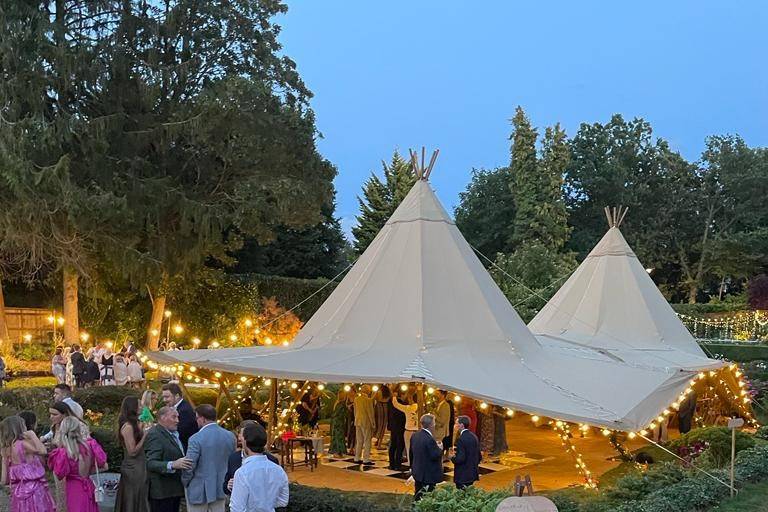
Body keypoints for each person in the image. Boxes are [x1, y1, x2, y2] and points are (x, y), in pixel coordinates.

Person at [182, 405, 236, 512]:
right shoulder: (230, 436)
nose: (196, 421)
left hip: (199, 489)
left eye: (197, 418)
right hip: (221, 487)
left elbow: (189, 465)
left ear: (202, 418)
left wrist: (185, 481)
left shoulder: (195, 438)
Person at [48, 416, 108, 512]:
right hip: (88, 485)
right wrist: (87, 472)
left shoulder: (64, 452)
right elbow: (105, 466)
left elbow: (59, 475)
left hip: (74, 488)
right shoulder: (90, 445)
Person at [0, 415, 56, 512]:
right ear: (19, 428)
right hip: (35, 491)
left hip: (18, 493)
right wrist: (33, 435)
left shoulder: (5, 450)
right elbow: (42, 451)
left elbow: (4, 479)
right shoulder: (22, 444)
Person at [229, 422, 289, 512]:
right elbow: (283, 501)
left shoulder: (242, 473)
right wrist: (265, 504)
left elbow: (236, 508)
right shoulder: (278, 470)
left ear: (245, 441)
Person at [144, 406, 193, 512]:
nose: (177, 421)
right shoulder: (155, 434)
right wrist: (172, 464)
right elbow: (150, 463)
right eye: (174, 417)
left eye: (178, 417)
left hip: (173, 490)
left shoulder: (172, 434)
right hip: (162, 492)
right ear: (163, 418)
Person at [224, 421, 280, 495]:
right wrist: (228, 486)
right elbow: (225, 486)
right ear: (239, 436)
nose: (247, 438)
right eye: (243, 434)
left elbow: (276, 489)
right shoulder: (233, 458)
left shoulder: (271, 460)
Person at [115, 396, 149, 512]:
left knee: (140, 495)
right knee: (133, 496)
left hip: (140, 464)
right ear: (132, 407)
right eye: (139, 405)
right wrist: (145, 435)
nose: (141, 407)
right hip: (133, 468)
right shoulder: (127, 427)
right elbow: (132, 451)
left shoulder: (135, 424)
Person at [409, 414, 444, 501]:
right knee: (428, 497)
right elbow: (434, 455)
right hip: (428, 474)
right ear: (431, 425)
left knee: (417, 495)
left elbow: (411, 453)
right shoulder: (429, 439)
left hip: (418, 471)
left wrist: (412, 467)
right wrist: (440, 449)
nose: (435, 424)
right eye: (434, 422)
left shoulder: (415, 435)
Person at [162, 383, 198, 450]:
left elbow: (180, 433)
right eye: (163, 397)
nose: (164, 400)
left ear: (177, 396)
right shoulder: (179, 408)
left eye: (167, 397)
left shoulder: (184, 411)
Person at [451, 415, 481, 489]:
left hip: (462, 474)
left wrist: (452, 457)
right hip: (472, 472)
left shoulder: (461, 439)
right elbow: (479, 456)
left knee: (461, 496)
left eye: (456, 423)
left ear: (461, 425)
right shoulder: (474, 436)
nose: (455, 425)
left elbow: (460, 458)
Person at [392, 390, 419, 465]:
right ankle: (417, 465)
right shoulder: (421, 408)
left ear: (412, 399)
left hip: (408, 431)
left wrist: (394, 396)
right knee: (417, 450)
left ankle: (411, 465)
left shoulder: (408, 408)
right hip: (417, 432)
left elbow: (396, 404)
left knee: (408, 449)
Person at [353, 385, 375, 465]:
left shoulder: (356, 399)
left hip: (357, 421)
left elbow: (355, 411)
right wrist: (373, 423)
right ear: (367, 391)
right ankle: (366, 459)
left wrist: (356, 419)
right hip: (366, 421)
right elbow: (370, 413)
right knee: (367, 440)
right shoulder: (368, 400)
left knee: (359, 440)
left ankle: (357, 457)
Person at [387, 388, 406, 470]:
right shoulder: (401, 403)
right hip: (400, 426)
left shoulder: (390, 401)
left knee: (393, 445)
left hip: (393, 426)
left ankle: (392, 463)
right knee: (400, 446)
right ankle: (397, 464)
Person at [329, 387, 350, 456]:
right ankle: (337, 451)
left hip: (338, 422)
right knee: (338, 437)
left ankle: (338, 451)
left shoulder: (341, 403)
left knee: (339, 437)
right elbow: (338, 413)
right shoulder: (340, 403)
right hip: (337, 422)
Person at [433, 390, 451, 461]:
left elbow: (442, 420)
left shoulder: (445, 405)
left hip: (440, 431)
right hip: (436, 430)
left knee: (437, 450)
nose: (436, 395)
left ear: (443, 395)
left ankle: (437, 466)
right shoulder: (438, 404)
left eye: (437, 393)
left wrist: (434, 413)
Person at [373, 385, 390, 449]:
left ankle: (377, 440)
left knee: (378, 424)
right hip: (385, 407)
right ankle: (379, 444)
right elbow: (389, 398)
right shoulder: (388, 392)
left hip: (378, 406)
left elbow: (374, 398)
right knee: (383, 425)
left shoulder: (378, 392)